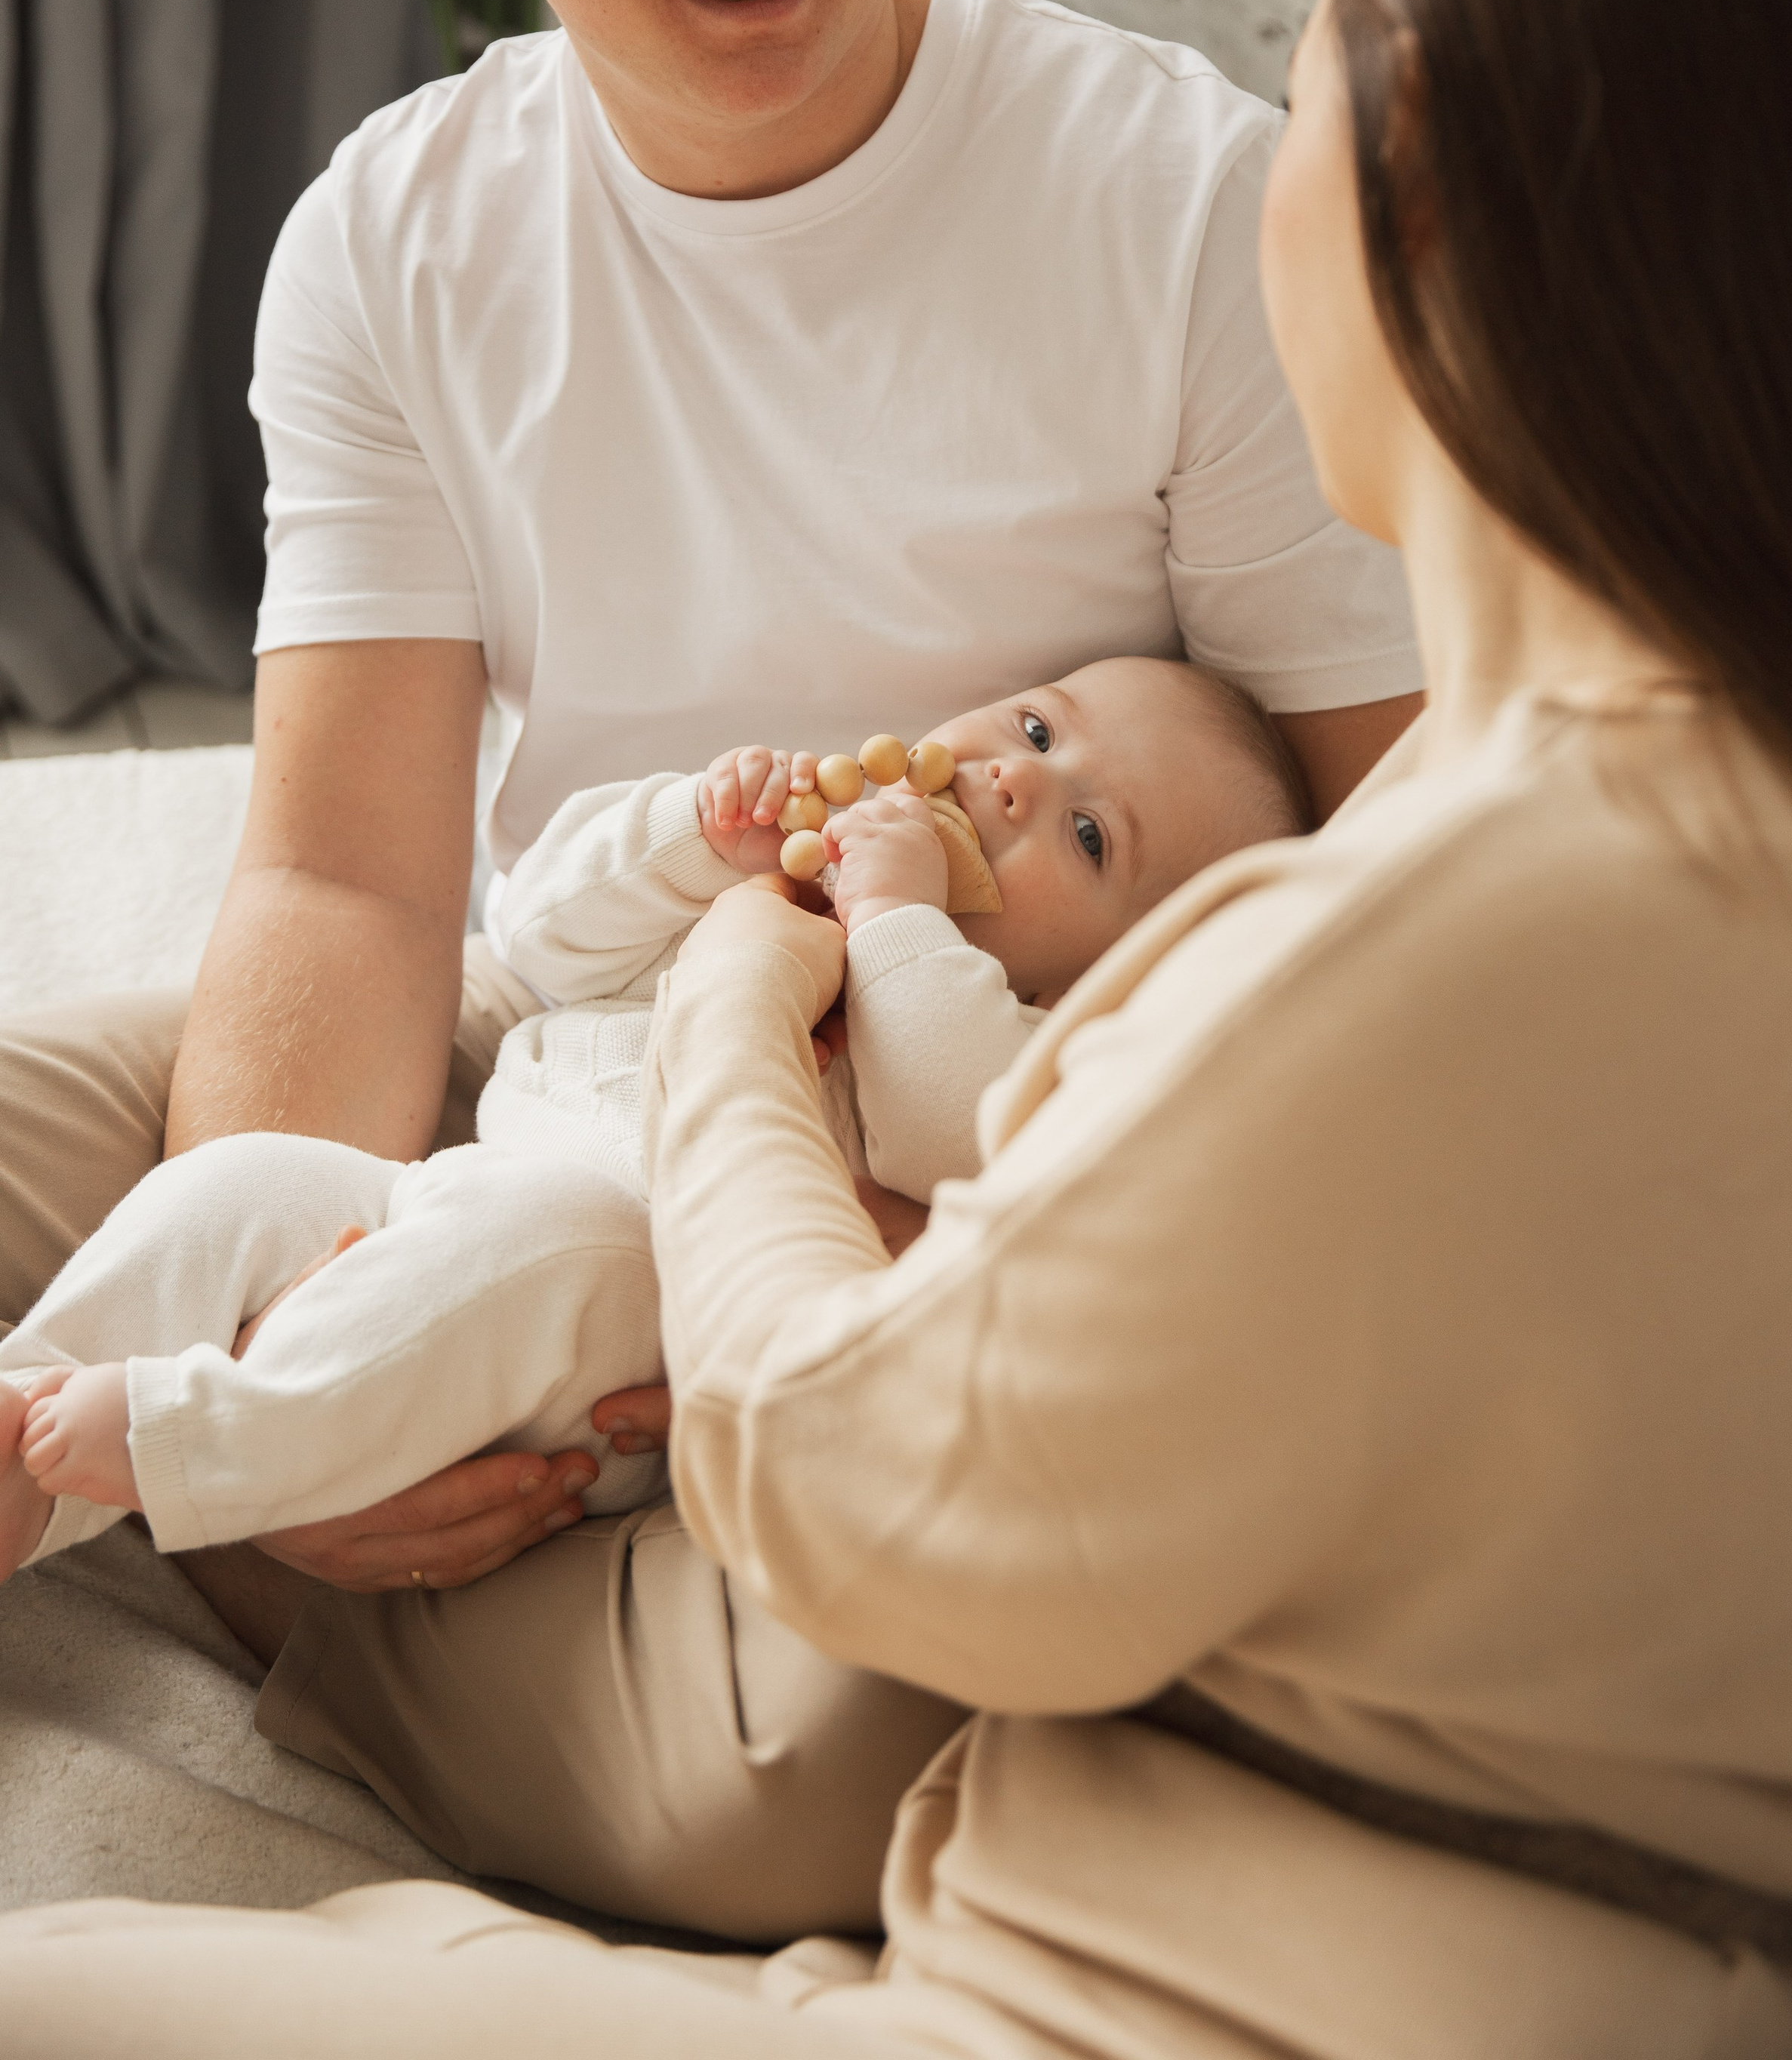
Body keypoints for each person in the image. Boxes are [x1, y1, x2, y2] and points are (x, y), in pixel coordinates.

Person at [11, 0, 1792, 2052]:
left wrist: (741, 998)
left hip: (1083, 1882)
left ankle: (247, 1540)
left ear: (1429, 203)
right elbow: (350, 888)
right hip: (625, 1071)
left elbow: (842, 1481)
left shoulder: (1424, 913)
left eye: (1312, 86)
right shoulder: (1785, 784)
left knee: (62, 1986)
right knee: (125, 1130)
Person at [0, 0, 1420, 1931]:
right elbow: (342, 872)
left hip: (921, 1164)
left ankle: (221, 1510)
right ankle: (267, 1479)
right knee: (72, 1134)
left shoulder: (1184, 200)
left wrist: (879, 1259)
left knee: (805, 1779)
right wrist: (338, 1250)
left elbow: (1383, 871)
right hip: (535, 1022)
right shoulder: (399, 235)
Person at [2, 659, 1302, 1572]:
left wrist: (897, 916)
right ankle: (26, 1437)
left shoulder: (1012, 1038)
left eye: (1088, 836)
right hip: (444, 1190)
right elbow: (544, 935)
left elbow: (934, 1126)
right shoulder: (789, 866)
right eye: (1034, 725)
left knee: (550, 1233)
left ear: (1095, 984)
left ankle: (202, 1437)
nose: (1017, 781)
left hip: (626, 1304)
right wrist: (690, 832)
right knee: (236, 1189)